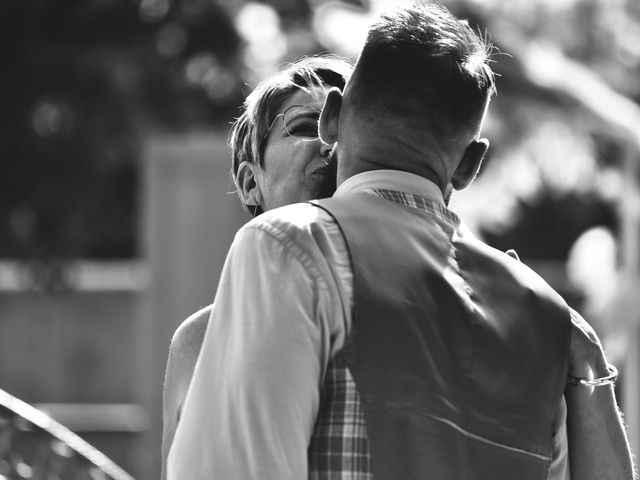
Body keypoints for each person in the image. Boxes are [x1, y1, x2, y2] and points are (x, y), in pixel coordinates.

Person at [169, 3, 634, 479]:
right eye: (298, 129)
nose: (323, 153)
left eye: (317, 127)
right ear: (470, 164)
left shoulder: (287, 248)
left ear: (335, 120)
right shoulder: (541, 314)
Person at [160, 55, 352, 480]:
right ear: (250, 183)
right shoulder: (197, 340)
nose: (331, 143)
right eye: (306, 126)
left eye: (347, 129)